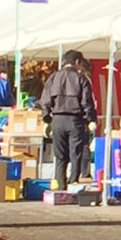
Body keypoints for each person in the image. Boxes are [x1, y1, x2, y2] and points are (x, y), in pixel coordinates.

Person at [38, 51, 98, 196]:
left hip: (57, 119)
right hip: (75, 120)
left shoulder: (54, 77)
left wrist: (46, 119)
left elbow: (45, 100)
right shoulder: (81, 79)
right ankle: (73, 183)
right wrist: (90, 119)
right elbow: (86, 102)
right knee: (75, 153)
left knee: (59, 154)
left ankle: (60, 185)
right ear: (77, 62)